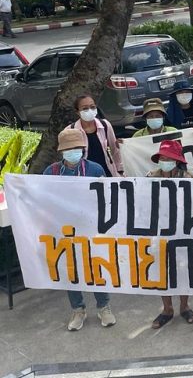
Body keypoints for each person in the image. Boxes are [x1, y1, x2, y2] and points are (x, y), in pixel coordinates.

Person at [44, 128, 114, 331]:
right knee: (70, 270)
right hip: (63, 229)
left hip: (90, 227)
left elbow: (106, 198)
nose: (73, 151)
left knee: (96, 267)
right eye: (69, 148)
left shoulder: (95, 169)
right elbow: (43, 198)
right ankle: (78, 309)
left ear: (83, 148)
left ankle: (104, 306)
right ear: (61, 151)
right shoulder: (52, 172)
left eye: (76, 147)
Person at [146, 140, 193, 328]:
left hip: (182, 230)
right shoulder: (150, 177)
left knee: (182, 268)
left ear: (177, 160)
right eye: (163, 158)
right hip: (158, 231)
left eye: (170, 158)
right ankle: (167, 309)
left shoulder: (188, 178)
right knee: (161, 270)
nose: (165, 161)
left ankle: (184, 306)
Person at [69, 94, 123, 177]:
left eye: (92, 107)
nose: (89, 110)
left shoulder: (105, 125)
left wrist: (120, 170)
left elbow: (115, 150)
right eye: (85, 108)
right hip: (84, 175)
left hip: (107, 172)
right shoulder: (70, 130)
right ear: (77, 112)